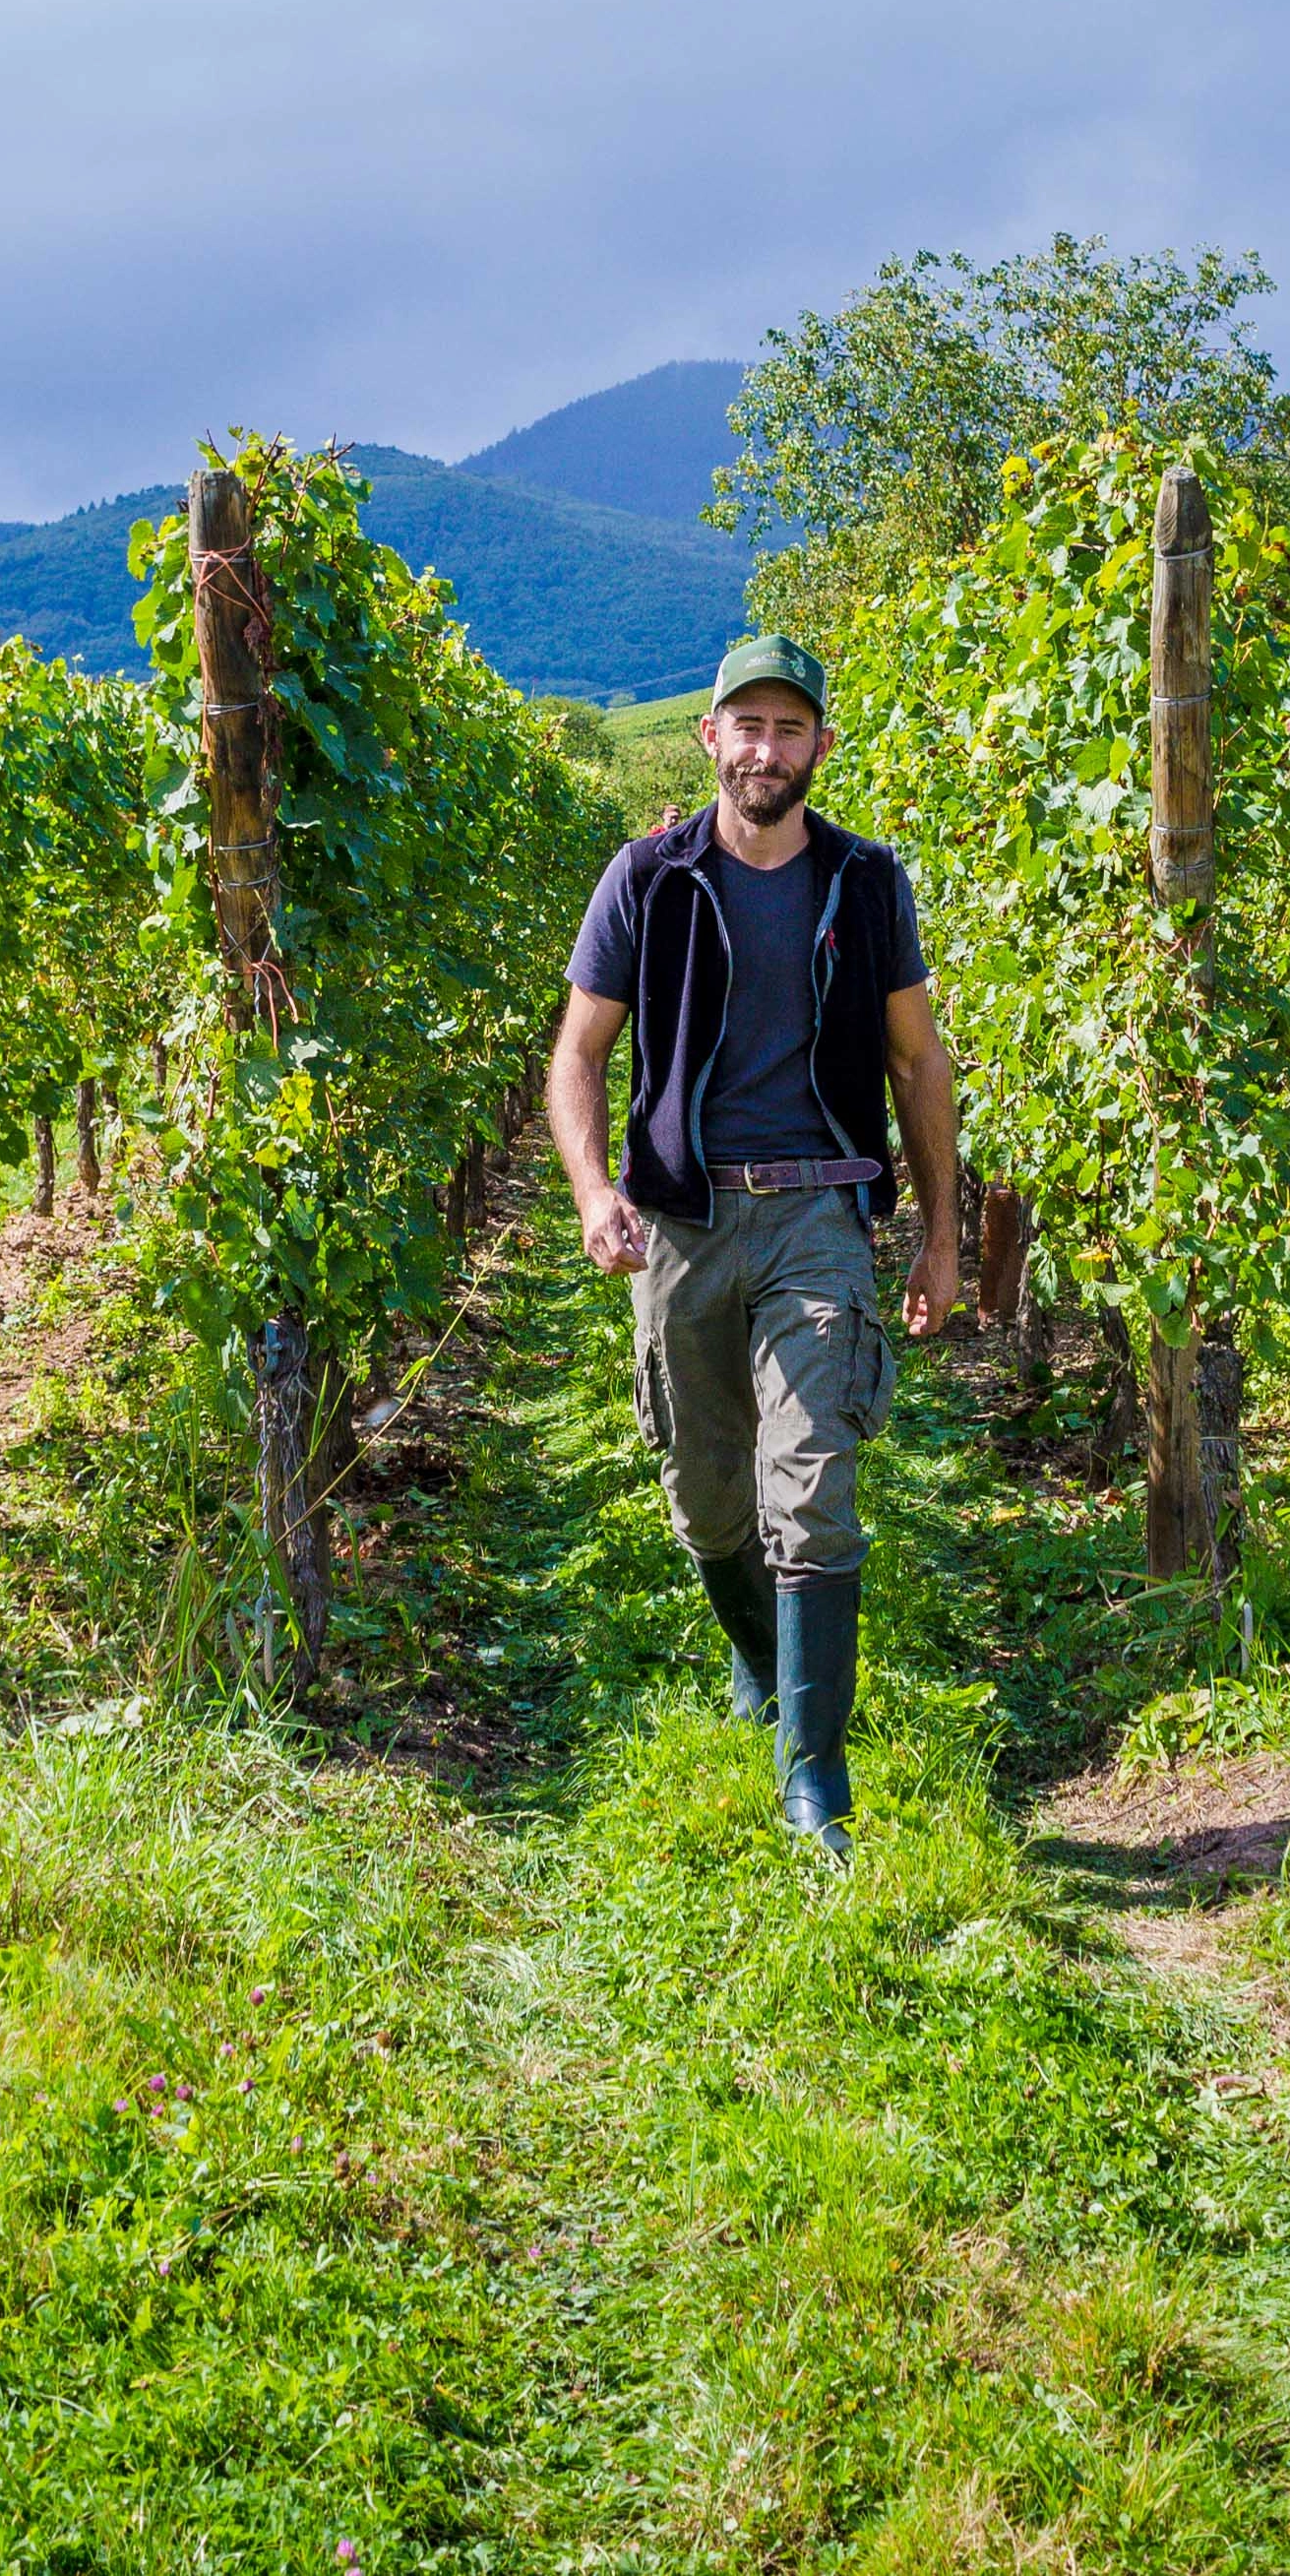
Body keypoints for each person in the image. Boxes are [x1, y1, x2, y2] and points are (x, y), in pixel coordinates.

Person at [545, 631, 960, 1853]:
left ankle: (812, 1773)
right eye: (747, 725)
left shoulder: (865, 881)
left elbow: (914, 1059)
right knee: (705, 1493)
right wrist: (588, 1193)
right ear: (708, 738)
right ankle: (755, 1652)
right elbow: (577, 1055)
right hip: (682, 1221)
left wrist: (941, 1233)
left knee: (812, 1481)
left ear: (820, 745)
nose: (766, 748)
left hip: (819, 1217)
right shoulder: (648, 879)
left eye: (790, 728)